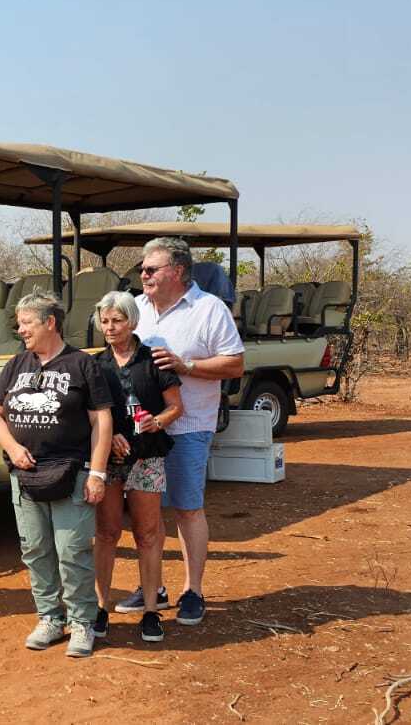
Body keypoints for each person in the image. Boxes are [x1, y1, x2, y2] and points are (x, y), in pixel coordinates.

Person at [0, 292, 112, 658]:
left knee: (71, 550)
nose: (21, 329)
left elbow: (101, 421)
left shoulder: (82, 364)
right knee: (36, 549)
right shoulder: (16, 364)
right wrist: (12, 447)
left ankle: (83, 622)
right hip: (25, 475)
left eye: (27, 323)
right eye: (19, 323)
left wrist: (97, 473)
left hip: (72, 472)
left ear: (50, 322)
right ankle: (50, 618)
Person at [131, 237, 244, 627]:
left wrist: (187, 366)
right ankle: (153, 587)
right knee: (146, 511)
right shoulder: (136, 308)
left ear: (177, 271)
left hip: (189, 425)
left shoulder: (208, 309)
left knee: (187, 508)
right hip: (143, 430)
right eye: (142, 269)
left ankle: (192, 590)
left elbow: (235, 365)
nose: (143, 275)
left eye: (151, 269)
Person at [90, 291, 183, 644]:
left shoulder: (153, 360)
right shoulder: (95, 365)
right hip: (110, 460)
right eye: (105, 321)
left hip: (147, 455)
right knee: (106, 533)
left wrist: (156, 422)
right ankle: (100, 608)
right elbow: (90, 414)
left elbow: (176, 407)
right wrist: (109, 435)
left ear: (132, 322)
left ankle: (150, 611)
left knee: (147, 534)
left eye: (117, 320)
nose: (110, 327)